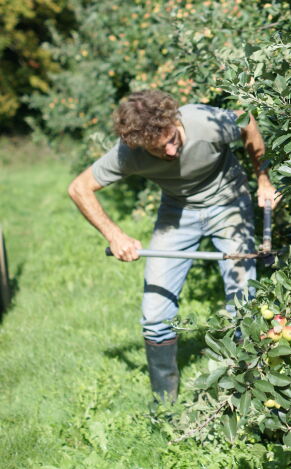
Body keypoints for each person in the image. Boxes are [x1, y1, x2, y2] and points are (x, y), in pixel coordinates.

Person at [67, 89, 277, 403]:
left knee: (244, 304)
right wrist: (115, 235)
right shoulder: (128, 153)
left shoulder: (204, 121)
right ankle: (165, 405)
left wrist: (263, 179)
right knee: (154, 315)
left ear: (175, 119)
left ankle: (250, 392)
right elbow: (79, 187)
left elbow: (248, 123)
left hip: (230, 203)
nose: (168, 151)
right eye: (157, 149)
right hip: (177, 212)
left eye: (172, 139)